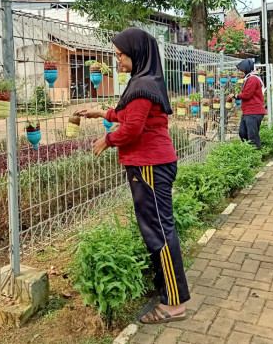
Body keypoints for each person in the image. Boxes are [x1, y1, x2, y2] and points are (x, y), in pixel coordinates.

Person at [79, 28, 190, 324]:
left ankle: (174, 305)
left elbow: (132, 129)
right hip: (149, 165)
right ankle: (167, 290)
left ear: (136, 52)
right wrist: (100, 113)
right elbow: (127, 115)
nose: (117, 60)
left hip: (150, 167)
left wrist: (108, 140)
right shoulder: (144, 82)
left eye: (120, 55)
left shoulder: (143, 85)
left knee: (160, 233)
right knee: (156, 230)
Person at [226, 59, 266, 149]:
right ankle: (248, 151)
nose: (240, 72)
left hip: (254, 112)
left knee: (253, 136)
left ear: (247, 69)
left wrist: (234, 96)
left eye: (242, 69)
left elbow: (247, 95)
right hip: (248, 112)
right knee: (242, 133)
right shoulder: (250, 78)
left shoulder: (252, 79)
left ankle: (255, 155)